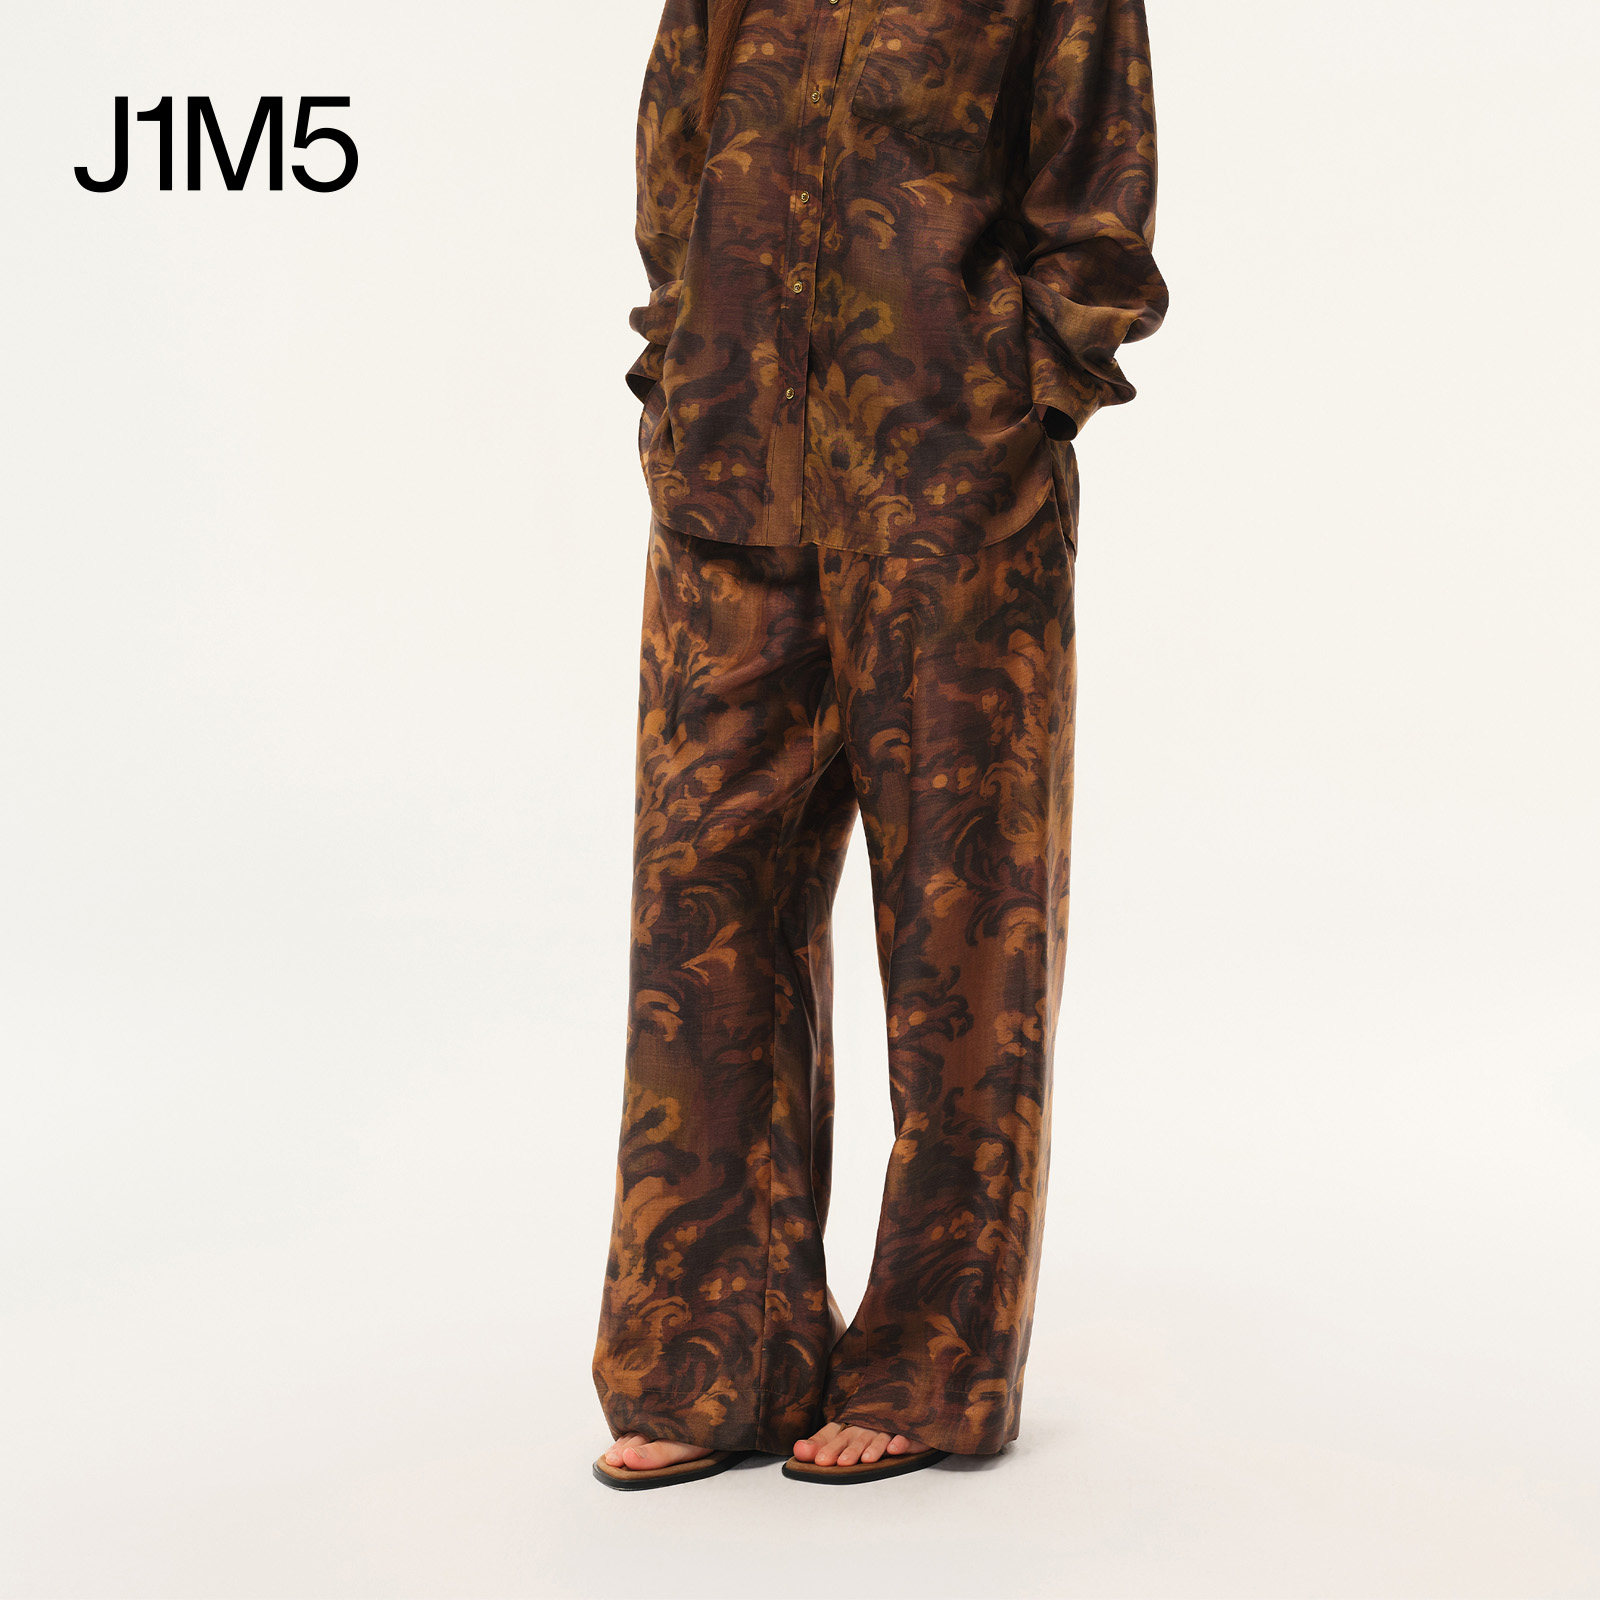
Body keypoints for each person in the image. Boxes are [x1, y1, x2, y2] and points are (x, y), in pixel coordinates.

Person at [591, 0, 1167, 1488]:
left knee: (963, 934)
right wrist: (680, 372)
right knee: (702, 916)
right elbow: (675, 158)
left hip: (951, 490)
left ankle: (931, 1362)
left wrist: (1011, 393)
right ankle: (712, 1358)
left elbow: (1097, 210)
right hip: (730, 479)